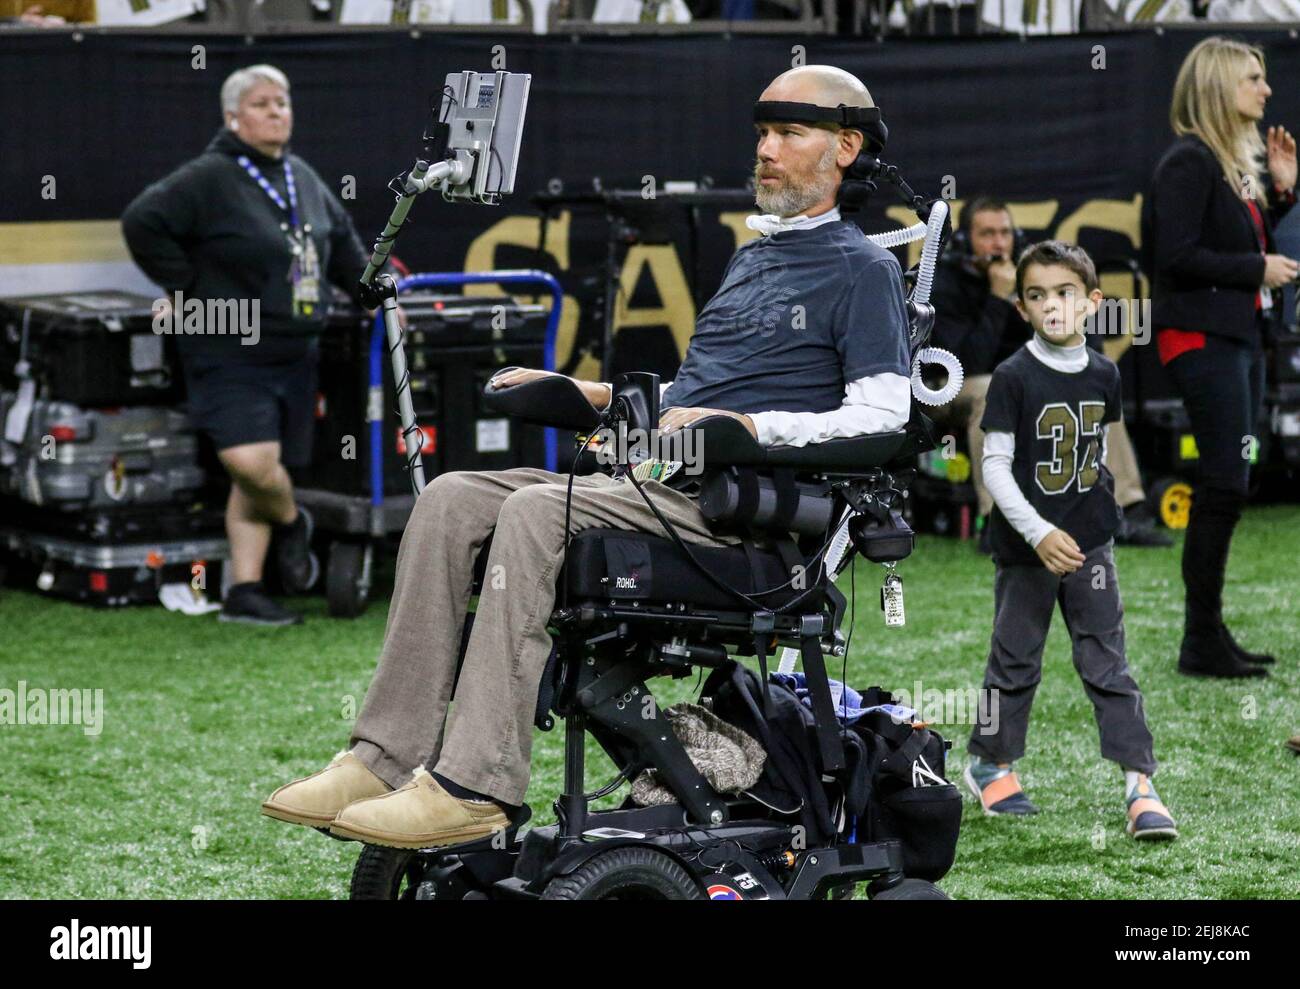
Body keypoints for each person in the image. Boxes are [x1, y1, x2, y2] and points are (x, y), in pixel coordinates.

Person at [260, 64, 915, 850]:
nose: (766, 150)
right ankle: (382, 757)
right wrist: (593, 393)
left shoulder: (864, 268)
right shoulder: (754, 259)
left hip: (747, 523)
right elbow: (692, 396)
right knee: (450, 499)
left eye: (789, 133)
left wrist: (742, 425)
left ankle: (476, 786)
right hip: (661, 485)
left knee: (538, 511)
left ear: (846, 148)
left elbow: (884, 420)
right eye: (762, 134)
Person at [123, 64, 390, 627]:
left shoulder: (300, 176)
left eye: (283, 102)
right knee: (250, 462)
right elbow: (142, 222)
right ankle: (295, 524)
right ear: (232, 117)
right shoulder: (209, 177)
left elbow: (341, 245)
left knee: (258, 474)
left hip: (296, 349)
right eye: (262, 103)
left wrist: (376, 296)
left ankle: (244, 590)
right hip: (227, 341)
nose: (277, 112)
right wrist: (186, 284)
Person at [963, 240, 1177, 842]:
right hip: (1027, 545)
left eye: (1065, 293)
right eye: (1037, 295)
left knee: (1108, 661)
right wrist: (1039, 532)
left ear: (1092, 302)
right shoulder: (1012, 376)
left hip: (1089, 545)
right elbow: (995, 467)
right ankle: (989, 764)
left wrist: (1091, 522)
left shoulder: (1105, 372)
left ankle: (1140, 783)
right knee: (1014, 658)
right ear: (1022, 307)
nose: (1052, 305)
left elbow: (1095, 453)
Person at [1141, 36, 1296, 679]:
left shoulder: (1229, 164)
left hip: (1237, 338)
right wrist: (1258, 267)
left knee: (1231, 482)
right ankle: (1201, 639)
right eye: (1252, 78)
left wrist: (1281, 194)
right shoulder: (1188, 161)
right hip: (1200, 339)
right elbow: (1175, 256)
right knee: (1223, 484)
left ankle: (1207, 633)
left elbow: (1237, 242)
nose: (1265, 89)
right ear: (1218, 85)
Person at [930, 196, 1170, 551]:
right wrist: (997, 299)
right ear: (965, 239)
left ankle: (1124, 508)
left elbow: (1075, 332)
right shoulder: (943, 281)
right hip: (950, 387)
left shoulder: (1031, 275)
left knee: (1092, 380)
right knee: (992, 390)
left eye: (1005, 233)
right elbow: (966, 362)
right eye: (987, 234)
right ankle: (997, 521)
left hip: (1022, 379)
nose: (998, 243)